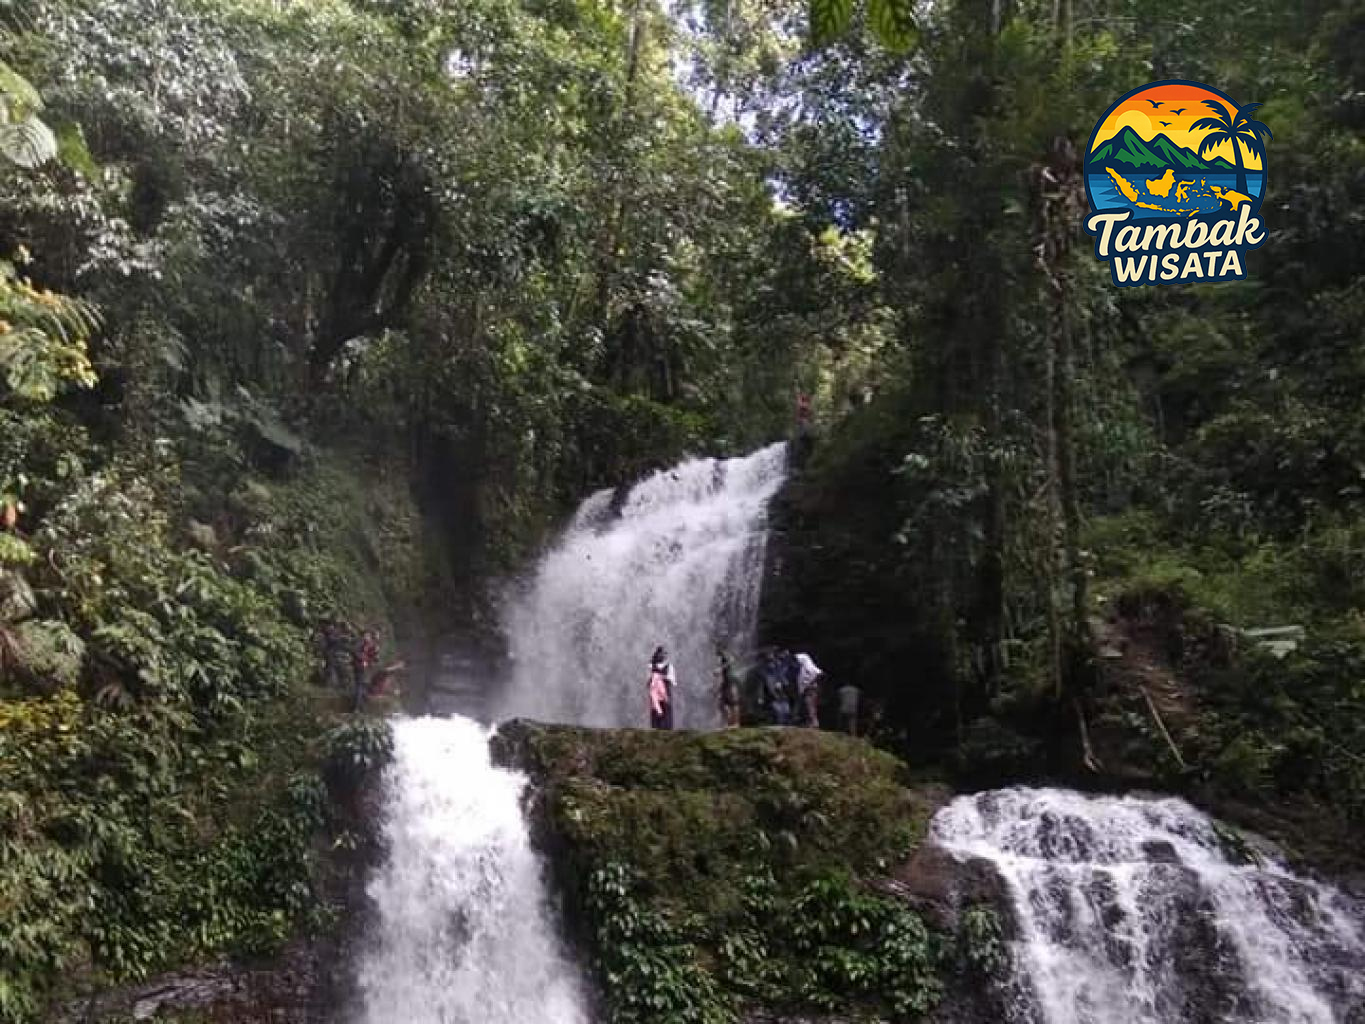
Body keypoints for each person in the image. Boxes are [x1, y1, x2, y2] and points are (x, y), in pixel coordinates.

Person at [794, 651, 824, 728]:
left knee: (810, 705)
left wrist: (810, 683)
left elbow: (819, 673)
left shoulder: (809, 666)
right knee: (807, 706)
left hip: (810, 689)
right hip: (806, 690)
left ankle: (814, 722)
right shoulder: (803, 668)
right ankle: (809, 722)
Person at [352, 628, 379, 711]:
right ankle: (359, 706)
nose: (366, 637)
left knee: (361, 686)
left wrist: (369, 660)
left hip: (365, 668)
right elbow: (355, 653)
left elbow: (375, 658)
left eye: (368, 636)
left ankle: (359, 706)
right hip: (359, 666)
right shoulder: (361, 644)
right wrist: (365, 660)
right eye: (365, 635)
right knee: (360, 685)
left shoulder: (372, 645)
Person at [650, 646, 677, 729]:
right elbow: (648, 680)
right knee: (655, 710)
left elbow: (672, 680)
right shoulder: (651, 666)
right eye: (661, 653)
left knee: (666, 710)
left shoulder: (669, 666)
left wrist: (662, 677)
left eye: (664, 654)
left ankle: (667, 727)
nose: (662, 656)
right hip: (655, 692)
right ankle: (656, 727)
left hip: (666, 691)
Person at [763, 650, 791, 726]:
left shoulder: (780, 669)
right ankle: (779, 723)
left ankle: (784, 722)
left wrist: (782, 684)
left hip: (782, 692)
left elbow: (785, 682)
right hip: (774, 694)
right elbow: (769, 685)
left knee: (785, 710)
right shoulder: (767, 673)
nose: (771, 664)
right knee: (778, 710)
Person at [716, 647, 741, 728]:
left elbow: (731, 660)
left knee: (733, 703)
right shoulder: (721, 657)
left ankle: (735, 723)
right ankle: (728, 722)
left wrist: (721, 668)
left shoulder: (727, 655)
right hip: (724, 682)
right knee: (722, 704)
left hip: (730, 681)